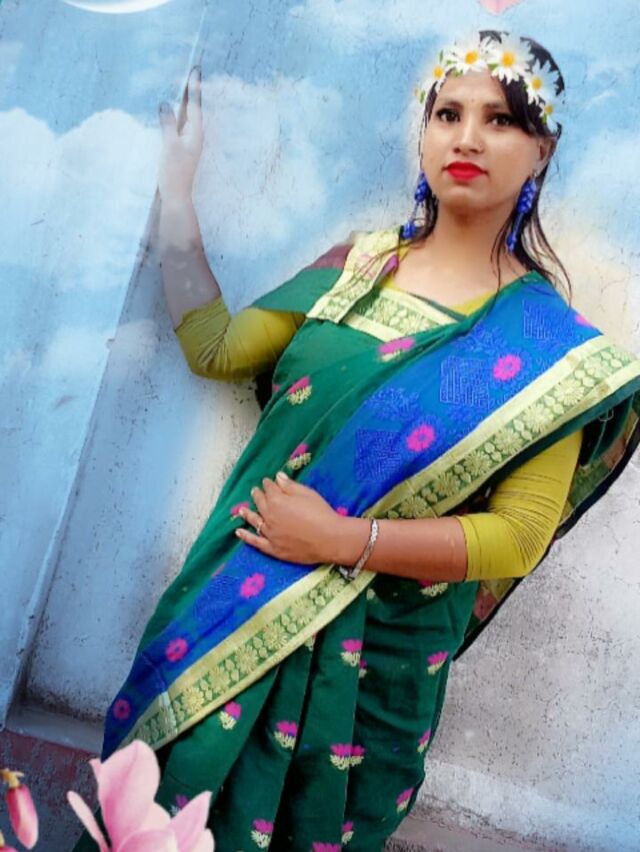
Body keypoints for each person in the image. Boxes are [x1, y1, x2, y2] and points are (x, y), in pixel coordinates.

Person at [72, 30, 640, 852]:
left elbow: (518, 537)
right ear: (425, 132)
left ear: (541, 150)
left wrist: (344, 540)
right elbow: (216, 348)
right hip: (224, 617)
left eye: (500, 120)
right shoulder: (354, 268)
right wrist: (176, 194)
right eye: (447, 114)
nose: (467, 138)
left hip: (372, 670)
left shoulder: (549, 353)